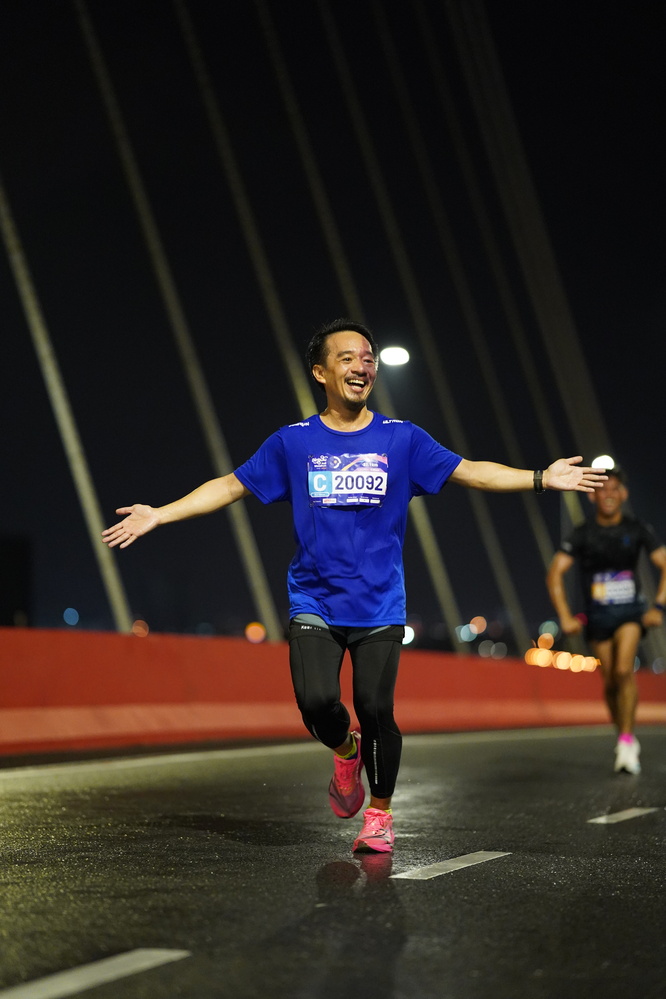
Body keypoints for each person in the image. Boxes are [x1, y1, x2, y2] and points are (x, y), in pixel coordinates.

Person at [102, 318, 606, 852]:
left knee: (376, 707)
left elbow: (470, 471)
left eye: (368, 359)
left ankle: (379, 816)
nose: (361, 367)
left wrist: (540, 477)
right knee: (317, 701)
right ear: (320, 372)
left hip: (380, 603)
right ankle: (346, 751)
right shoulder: (293, 442)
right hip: (314, 598)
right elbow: (230, 486)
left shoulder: (402, 438)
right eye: (347, 358)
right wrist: (160, 514)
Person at [546, 467, 666, 774]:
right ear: (592, 496)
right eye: (602, 489)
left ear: (623, 494)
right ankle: (623, 736)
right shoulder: (582, 533)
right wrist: (565, 617)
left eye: (614, 489)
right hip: (597, 618)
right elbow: (555, 573)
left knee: (624, 670)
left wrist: (658, 607)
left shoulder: (637, 529)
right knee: (611, 681)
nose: (609, 495)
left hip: (630, 613)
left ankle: (626, 742)